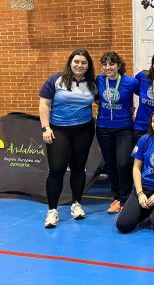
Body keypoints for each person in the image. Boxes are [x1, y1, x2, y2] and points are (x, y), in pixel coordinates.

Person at [39, 48, 97, 228]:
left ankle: (76, 204)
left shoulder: (93, 84)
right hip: (59, 130)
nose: (80, 65)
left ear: (88, 65)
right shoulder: (56, 80)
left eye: (84, 62)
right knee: (57, 169)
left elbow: (104, 102)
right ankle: (52, 211)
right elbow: (44, 103)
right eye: (76, 61)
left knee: (79, 168)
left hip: (84, 130)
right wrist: (46, 128)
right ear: (70, 63)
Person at [115, 108, 154, 234]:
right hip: (143, 188)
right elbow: (136, 168)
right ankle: (147, 210)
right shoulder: (145, 139)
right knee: (123, 225)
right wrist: (140, 193)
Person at [96, 51, 139, 214]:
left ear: (119, 65)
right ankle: (117, 196)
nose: (108, 67)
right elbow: (96, 98)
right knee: (111, 164)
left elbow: (147, 93)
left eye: (112, 64)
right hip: (103, 128)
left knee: (123, 162)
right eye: (105, 64)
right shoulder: (99, 80)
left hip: (124, 128)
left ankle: (126, 197)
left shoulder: (130, 82)